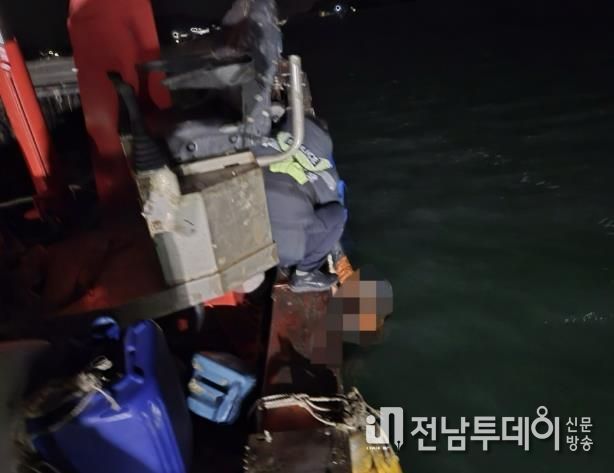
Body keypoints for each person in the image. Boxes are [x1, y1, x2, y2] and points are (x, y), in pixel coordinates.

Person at [256, 115, 347, 292]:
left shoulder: (265, 143)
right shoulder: (325, 175)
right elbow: (334, 207)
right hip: (282, 252)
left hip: (247, 230)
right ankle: (304, 275)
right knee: (337, 216)